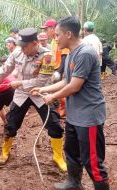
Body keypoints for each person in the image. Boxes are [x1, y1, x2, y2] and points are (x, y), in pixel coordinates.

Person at [31, 16, 109, 190]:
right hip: (75, 115)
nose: (55, 38)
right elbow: (66, 80)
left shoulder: (86, 53)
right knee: (72, 152)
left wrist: (52, 97)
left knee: (93, 161)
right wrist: (44, 90)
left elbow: (74, 86)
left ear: (69, 34)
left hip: (89, 116)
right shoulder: (71, 53)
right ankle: (74, 183)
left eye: (57, 35)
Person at [0, 28, 67, 172]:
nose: (22, 49)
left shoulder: (47, 56)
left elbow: (42, 81)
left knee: (54, 125)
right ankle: (5, 152)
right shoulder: (17, 52)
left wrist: (21, 83)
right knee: (11, 124)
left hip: (40, 94)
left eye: (24, 46)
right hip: (21, 95)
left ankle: (58, 156)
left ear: (35, 43)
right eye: (20, 45)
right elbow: (5, 69)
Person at [40, 19, 70, 117]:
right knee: (55, 90)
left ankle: (65, 110)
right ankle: (59, 110)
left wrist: (59, 72)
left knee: (62, 90)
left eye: (46, 30)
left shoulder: (61, 40)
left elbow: (65, 57)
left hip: (62, 69)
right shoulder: (53, 41)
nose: (46, 32)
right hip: (55, 68)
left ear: (53, 28)